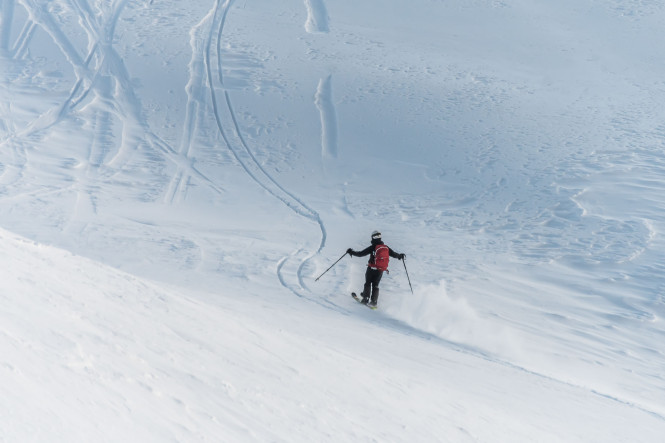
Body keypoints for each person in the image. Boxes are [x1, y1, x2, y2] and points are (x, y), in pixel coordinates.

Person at [347, 231, 405, 308]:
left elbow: (361, 254)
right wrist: (400, 256)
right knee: (375, 285)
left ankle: (366, 298)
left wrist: (351, 252)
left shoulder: (373, 247)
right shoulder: (385, 247)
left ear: (373, 238)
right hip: (380, 270)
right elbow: (394, 254)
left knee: (368, 283)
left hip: (371, 268)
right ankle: (374, 301)